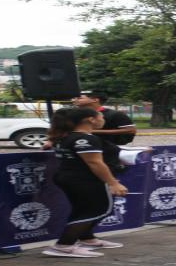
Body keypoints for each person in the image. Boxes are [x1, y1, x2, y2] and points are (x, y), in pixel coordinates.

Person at [43, 108, 129, 257]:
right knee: (99, 210)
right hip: (83, 180)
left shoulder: (63, 136)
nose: (103, 120)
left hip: (67, 177)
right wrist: (113, 183)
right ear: (91, 119)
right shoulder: (85, 139)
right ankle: (64, 245)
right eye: (101, 116)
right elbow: (95, 163)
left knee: (82, 210)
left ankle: (87, 239)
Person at [72, 90, 136, 145]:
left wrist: (92, 131)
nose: (74, 100)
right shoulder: (74, 114)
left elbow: (130, 130)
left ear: (95, 100)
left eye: (79, 98)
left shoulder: (115, 114)